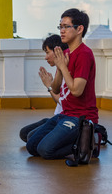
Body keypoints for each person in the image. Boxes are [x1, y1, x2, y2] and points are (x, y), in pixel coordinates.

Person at [26, 8, 98, 159]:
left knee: (45, 150)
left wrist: (63, 67)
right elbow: (56, 88)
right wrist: (59, 68)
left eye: (66, 26)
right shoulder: (65, 53)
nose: (62, 31)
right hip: (64, 114)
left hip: (80, 117)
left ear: (79, 29)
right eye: (61, 27)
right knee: (31, 146)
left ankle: (85, 143)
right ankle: (80, 141)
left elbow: (77, 91)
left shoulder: (84, 54)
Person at [19, 35, 68, 142]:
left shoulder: (66, 70)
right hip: (57, 116)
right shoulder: (58, 70)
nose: (45, 57)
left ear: (57, 51)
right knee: (24, 133)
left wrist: (49, 86)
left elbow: (61, 101)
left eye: (47, 52)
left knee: (31, 138)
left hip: (65, 119)